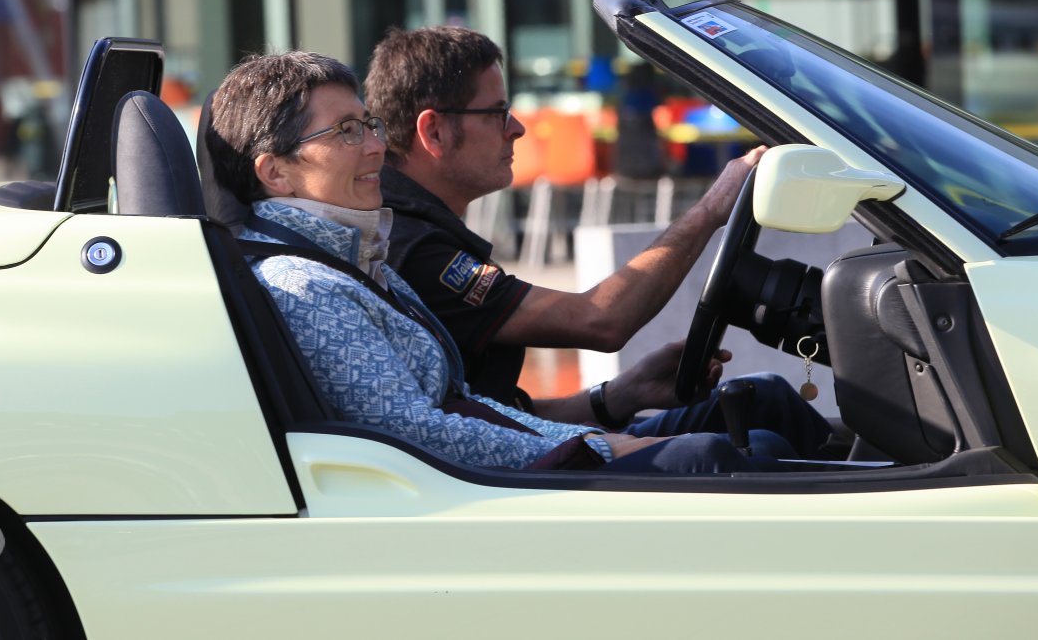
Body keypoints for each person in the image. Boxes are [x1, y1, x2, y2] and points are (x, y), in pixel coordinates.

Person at [204, 50, 798, 474]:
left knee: (759, 414)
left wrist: (606, 410)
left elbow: (461, 402)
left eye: (369, 125)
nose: (376, 145)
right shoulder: (308, 284)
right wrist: (598, 444)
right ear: (275, 171)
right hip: (477, 498)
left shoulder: (359, 259)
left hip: (500, 472)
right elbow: (414, 437)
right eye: (346, 131)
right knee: (729, 454)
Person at [364, 26, 831, 455]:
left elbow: (502, 414)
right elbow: (600, 320)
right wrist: (709, 211)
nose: (517, 128)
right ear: (435, 131)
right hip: (508, 480)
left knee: (765, 399)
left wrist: (619, 395)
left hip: (518, 457)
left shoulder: (417, 231)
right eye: (497, 113)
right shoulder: (411, 247)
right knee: (741, 451)